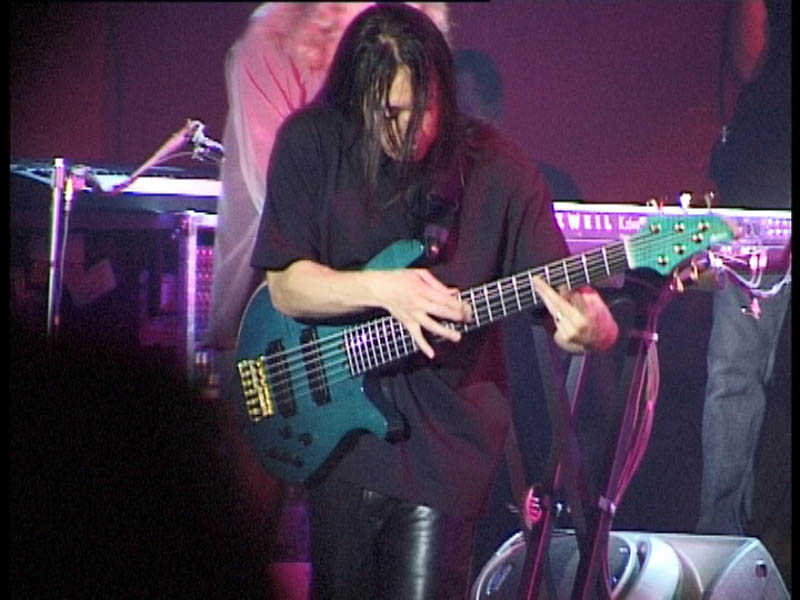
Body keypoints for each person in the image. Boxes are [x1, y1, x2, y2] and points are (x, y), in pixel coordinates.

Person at [251, 5, 619, 599]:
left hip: (445, 450)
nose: (409, 129)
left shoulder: (497, 169)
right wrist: (383, 289)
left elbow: (569, 298)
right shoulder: (313, 143)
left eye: (423, 108)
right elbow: (286, 288)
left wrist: (595, 327)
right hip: (342, 444)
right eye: (389, 113)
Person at [206, 4, 450, 598]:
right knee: (246, 524)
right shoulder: (272, 43)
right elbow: (281, 193)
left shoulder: (410, 35)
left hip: (373, 334)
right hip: (273, 317)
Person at [696, 0, 791, 546]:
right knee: (734, 372)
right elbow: (750, 59)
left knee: (735, 373)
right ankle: (721, 545)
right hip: (761, 188)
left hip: (762, 183)